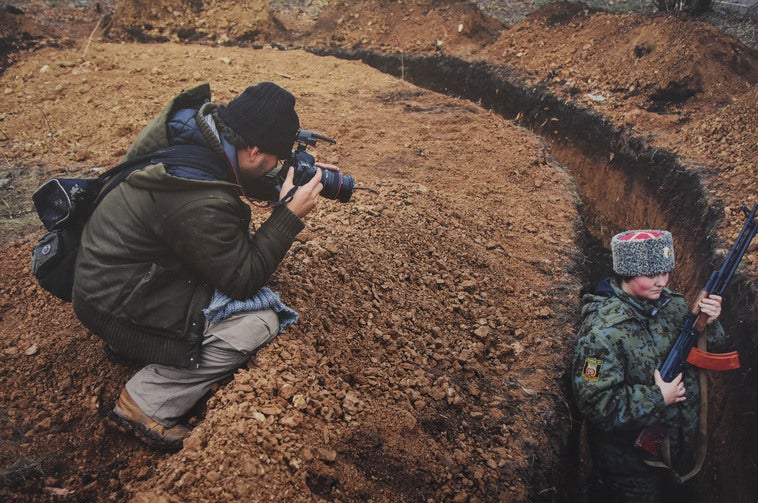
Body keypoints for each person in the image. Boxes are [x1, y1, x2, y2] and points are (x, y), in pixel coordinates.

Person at [73, 82, 333, 451]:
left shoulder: (197, 132)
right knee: (257, 322)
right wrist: (288, 216)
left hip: (109, 278)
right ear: (255, 149)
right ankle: (144, 403)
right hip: (114, 303)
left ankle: (133, 345)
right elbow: (243, 278)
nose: (279, 165)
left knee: (231, 280)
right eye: (277, 159)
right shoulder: (197, 197)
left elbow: (238, 172)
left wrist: (291, 172)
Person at [571, 230, 726, 502]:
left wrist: (708, 325)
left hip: (679, 454)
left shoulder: (673, 305)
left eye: (665, 272)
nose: (662, 281)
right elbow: (595, 403)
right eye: (651, 275)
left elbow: (704, 351)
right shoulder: (602, 333)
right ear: (627, 273)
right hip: (632, 471)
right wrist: (657, 397)